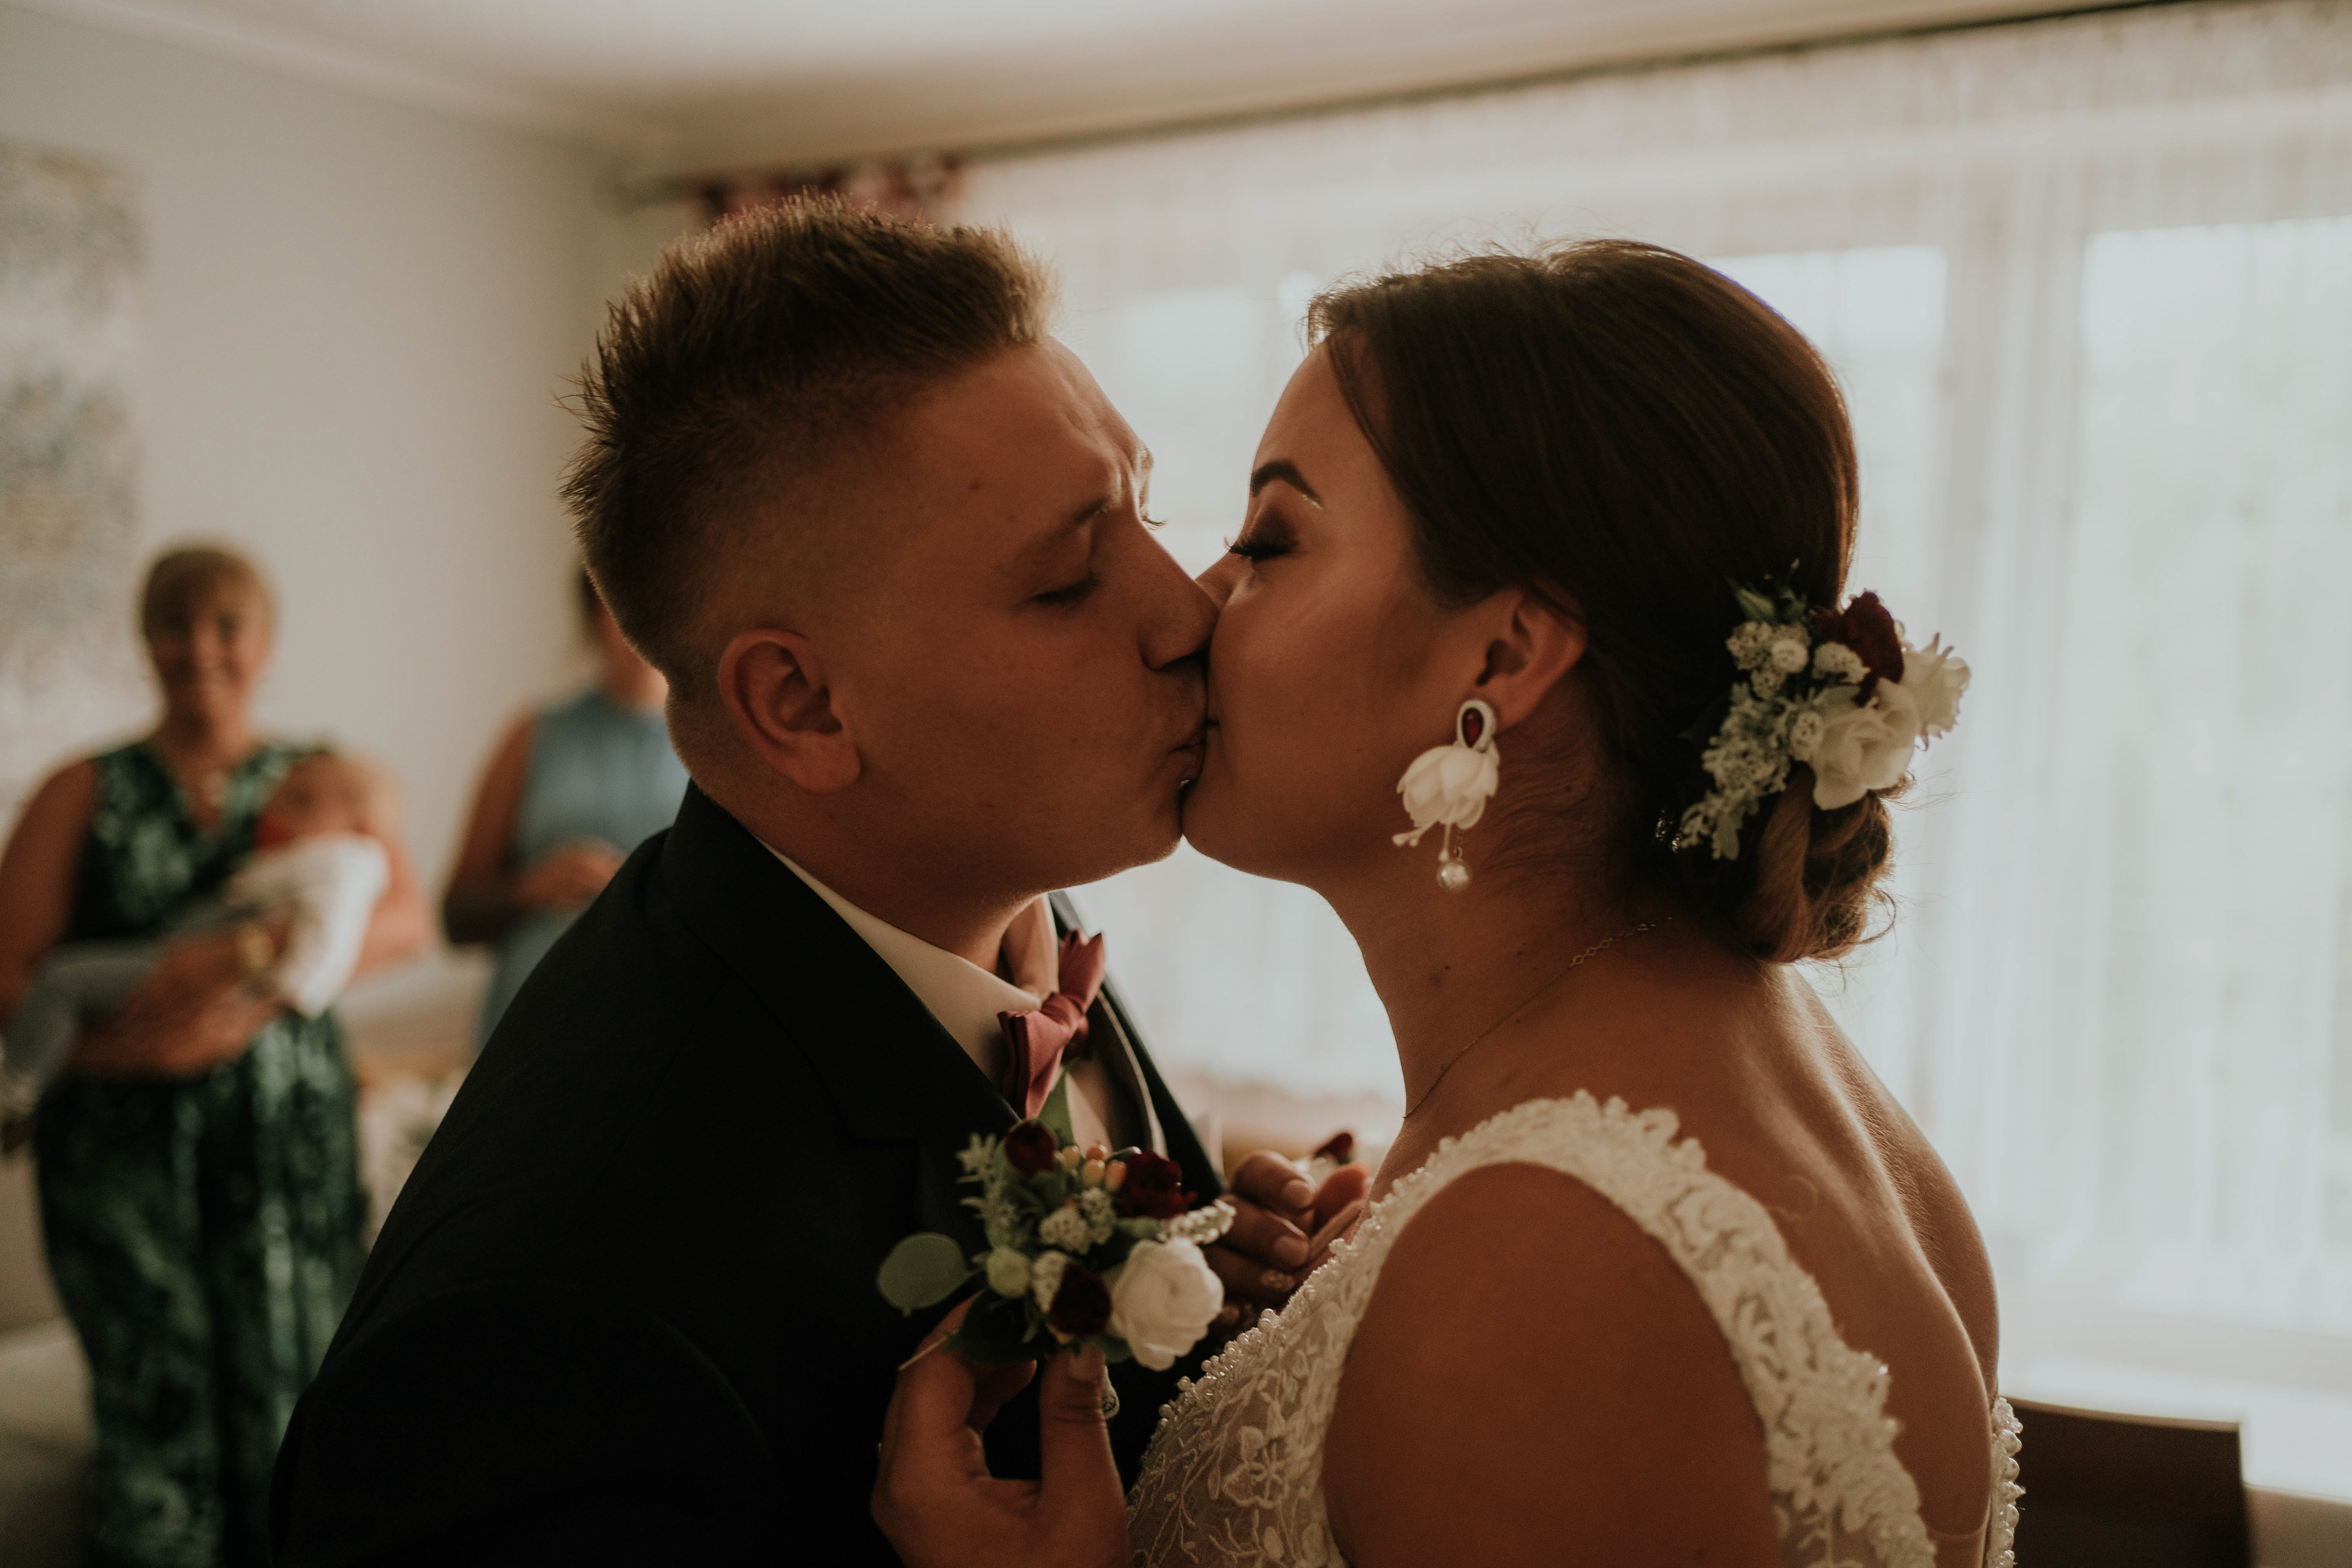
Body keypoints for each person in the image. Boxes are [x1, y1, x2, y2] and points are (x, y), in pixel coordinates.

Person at [870, 243, 2021, 1567]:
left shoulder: (1543, 1260)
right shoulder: (1770, 1095)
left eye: (1270, 540)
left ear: (1504, 654)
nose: (1194, 605)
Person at [268, 200, 1355, 1566]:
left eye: (1146, 509)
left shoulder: (997, 893)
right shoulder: (551, 1322)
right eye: (1072, 577)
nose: (1191, 608)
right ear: (802, 706)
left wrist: (1213, 1291)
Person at [0, 544, 430, 1568]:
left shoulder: (322, 780)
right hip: (121, 1162)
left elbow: (407, 921)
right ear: (145, 641)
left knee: (295, 1401)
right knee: (156, 1413)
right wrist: (132, 1050)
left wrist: (249, 971)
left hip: (286, 1154)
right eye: (175, 624)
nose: (200, 648)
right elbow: (10, 970)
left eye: (225, 625)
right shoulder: (82, 788)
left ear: (265, 645)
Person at [2, 751, 393, 1143]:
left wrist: (284, 995)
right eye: (281, 795)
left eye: (302, 802)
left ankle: (17, 1086)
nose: (276, 808)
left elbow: (334, 938)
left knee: (64, 980)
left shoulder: (338, 864)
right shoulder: (84, 782)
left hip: (207, 1002)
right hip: (169, 1029)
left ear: (361, 828)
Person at [443, 570, 689, 1052]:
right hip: (532, 1031)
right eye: (622, 606)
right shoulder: (533, 736)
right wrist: (527, 889)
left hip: (666, 1031)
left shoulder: (723, 749)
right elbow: (455, 917)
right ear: (594, 616)